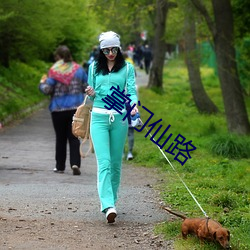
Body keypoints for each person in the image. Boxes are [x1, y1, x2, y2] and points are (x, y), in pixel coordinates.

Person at [85, 31, 138, 223]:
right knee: (104, 163)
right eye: (106, 50)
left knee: (116, 164)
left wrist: (133, 105)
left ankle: (112, 201)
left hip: (119, 119)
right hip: (98, 118)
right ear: (101, 50)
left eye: (114, 49)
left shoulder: (127, 68)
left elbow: (131, 92)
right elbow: (91, 97)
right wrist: (90, 92)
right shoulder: (93, 68)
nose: (110, 53)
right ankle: (107, 205)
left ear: (119, 48)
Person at [39, 45, 88, 175]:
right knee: (74, 137)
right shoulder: (79, 70)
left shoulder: (54, 71)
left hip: (58, 109)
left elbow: (47, 90)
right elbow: (86, 87)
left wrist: (42, 83)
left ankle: (60, 166)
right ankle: (75, 163)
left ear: (58, 57)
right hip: (75, 109)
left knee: (60, 138)